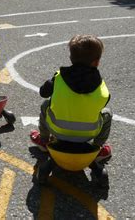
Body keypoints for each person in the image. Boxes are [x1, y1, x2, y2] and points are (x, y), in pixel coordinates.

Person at [30, 34, 112, 163]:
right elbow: (101, 103)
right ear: (97, 62)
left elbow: (43, 92)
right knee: (107, 113)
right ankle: (98, 148)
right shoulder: (101, 86)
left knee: (46, 104)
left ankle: (44, 140)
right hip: (88, 134)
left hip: (57, 130)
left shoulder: (58, 78)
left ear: (71, 58)